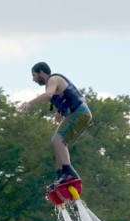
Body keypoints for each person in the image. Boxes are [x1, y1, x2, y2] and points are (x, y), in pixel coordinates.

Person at [18, 62, 93, 190]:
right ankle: (61, 176)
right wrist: (60, 113)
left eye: (34, 75)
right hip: (79, 113)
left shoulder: (53, 79)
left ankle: (70, 174)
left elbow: (48, 95)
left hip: (80, 112)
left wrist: (29, 103)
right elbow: (65, 98)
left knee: (57, 140)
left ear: (42, 72)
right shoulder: (53, 83)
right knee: (57, 144)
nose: (33, 79)